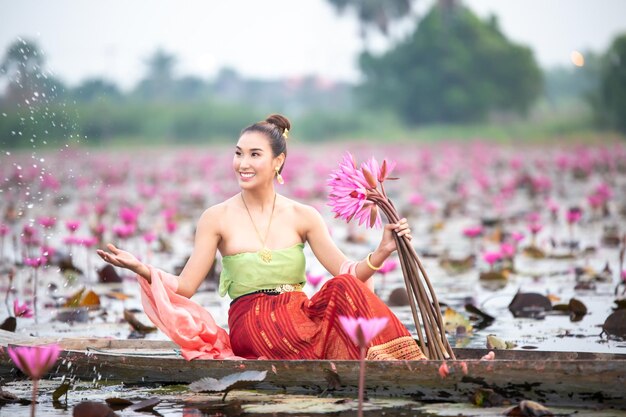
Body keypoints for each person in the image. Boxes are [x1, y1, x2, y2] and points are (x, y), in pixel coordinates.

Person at [97, 114, 426, 361]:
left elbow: (347, 272)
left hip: (300, 314)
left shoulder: (303, 215)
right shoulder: (216, 218)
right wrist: (141, 268)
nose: (242, 163)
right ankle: (356, 363)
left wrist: (380, 253)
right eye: (238, 154)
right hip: (252, 323)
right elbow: (185, 287)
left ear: (277, 161)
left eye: (254, 155)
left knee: (344, 287)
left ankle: (407, 363)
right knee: (285, 326)